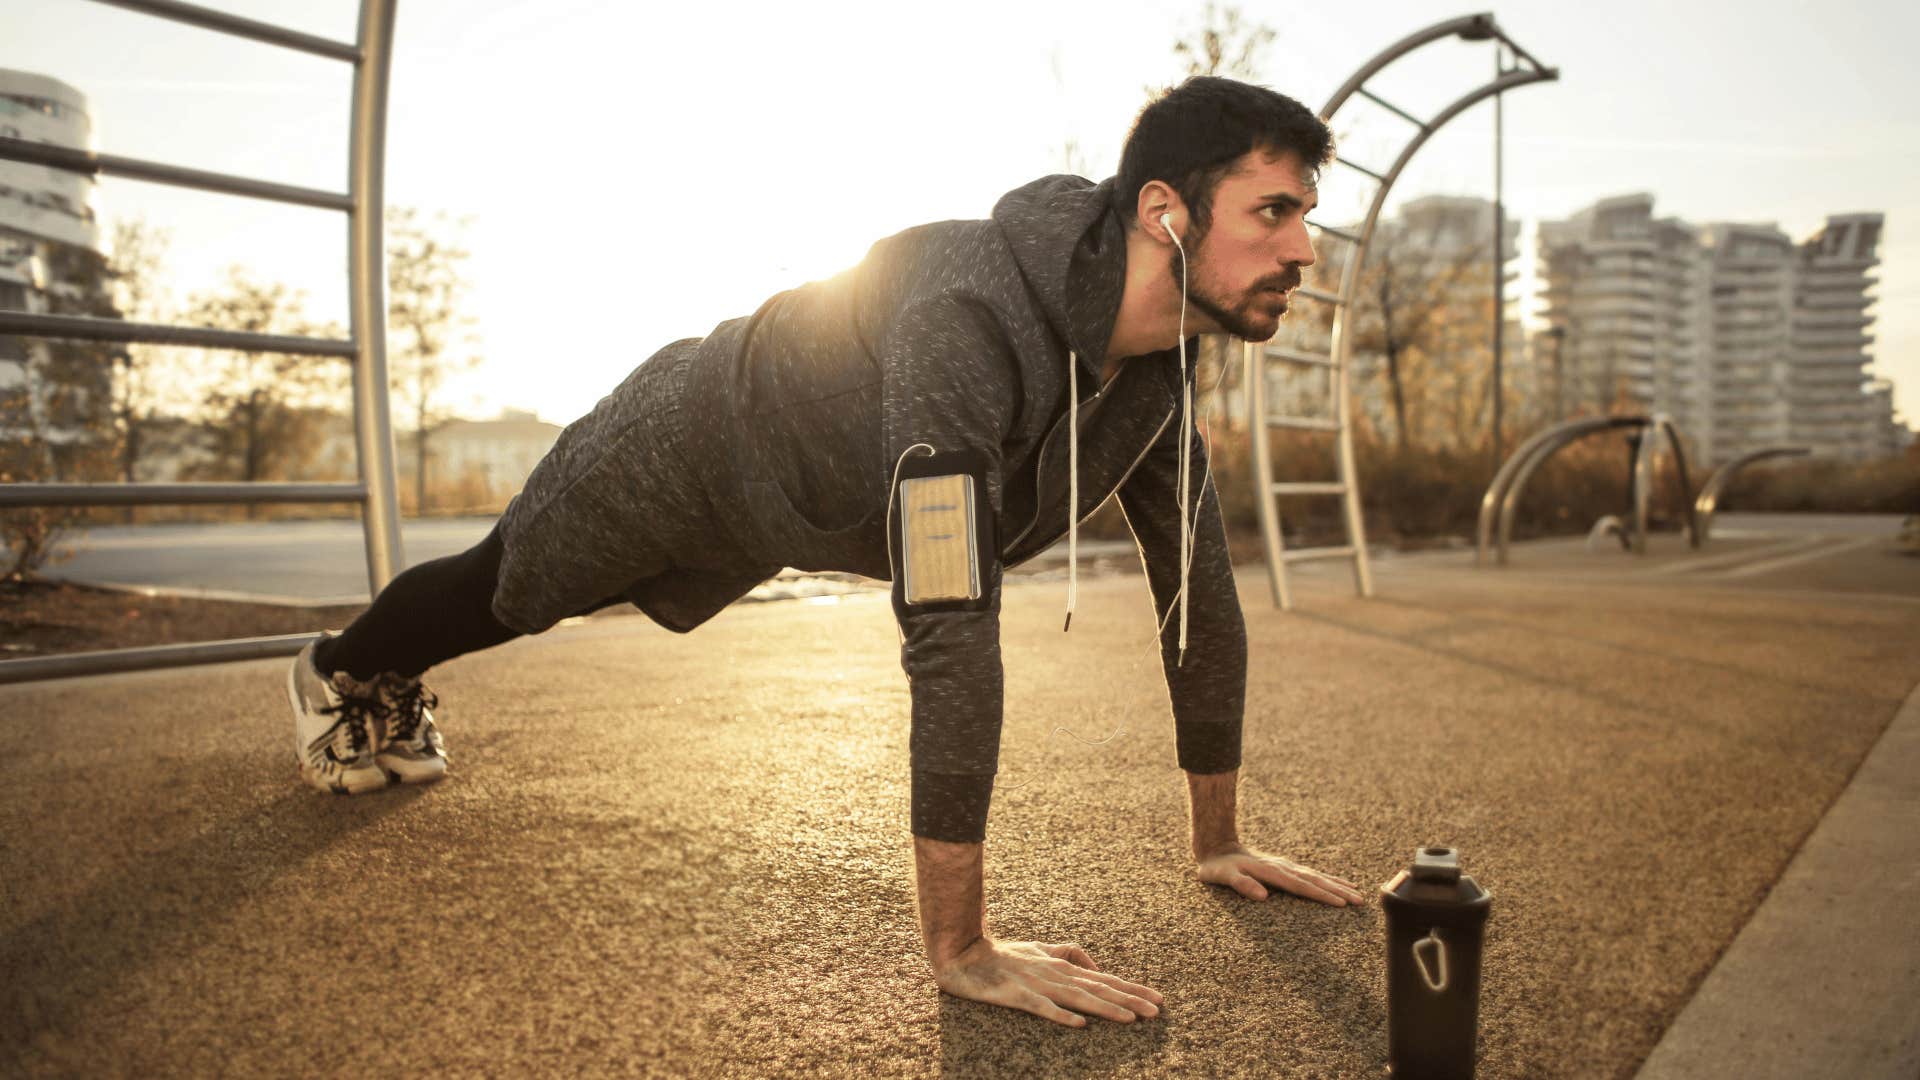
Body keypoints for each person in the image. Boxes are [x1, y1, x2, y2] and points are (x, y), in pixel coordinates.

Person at [286, 75, 1369, 1028]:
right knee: (508, 591)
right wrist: (962, 947)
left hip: (808, 503)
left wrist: (1218, 840)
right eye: (1272, 212)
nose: (1303, 250)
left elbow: (1201, 591)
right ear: (1164, 213)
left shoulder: (1160, 376)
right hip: (691, 441)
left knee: (517, 591)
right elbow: (949, 614)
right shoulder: (965, 315)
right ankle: (343, 666)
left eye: (1308, 216)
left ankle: (375, 672)